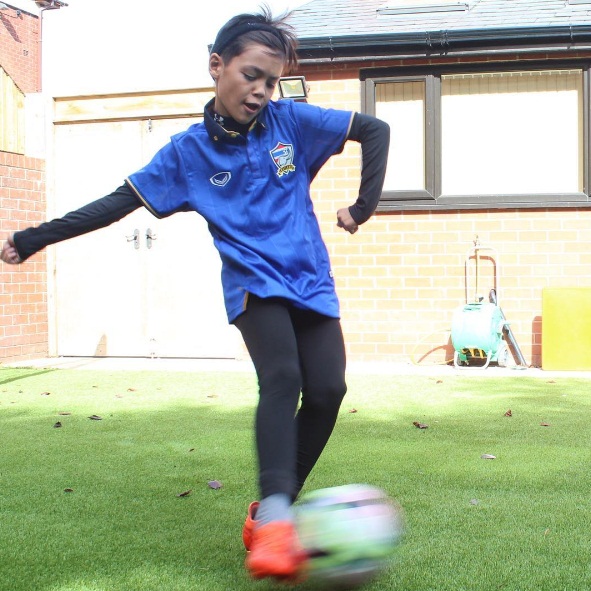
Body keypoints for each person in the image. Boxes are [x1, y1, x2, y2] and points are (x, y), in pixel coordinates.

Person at [1, 5, 390, 583]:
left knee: (329, 389)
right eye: (251, 75)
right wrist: (34, 238)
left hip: (311, 279)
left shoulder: (292, 123)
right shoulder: (186, 154)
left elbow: (375, 130)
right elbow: (116, 204)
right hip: (254, 285)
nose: (261, 91)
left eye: (271, 81)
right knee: (283, 376)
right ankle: (277, 520)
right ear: (216, 66)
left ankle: (270, 511)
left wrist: (361, 208)